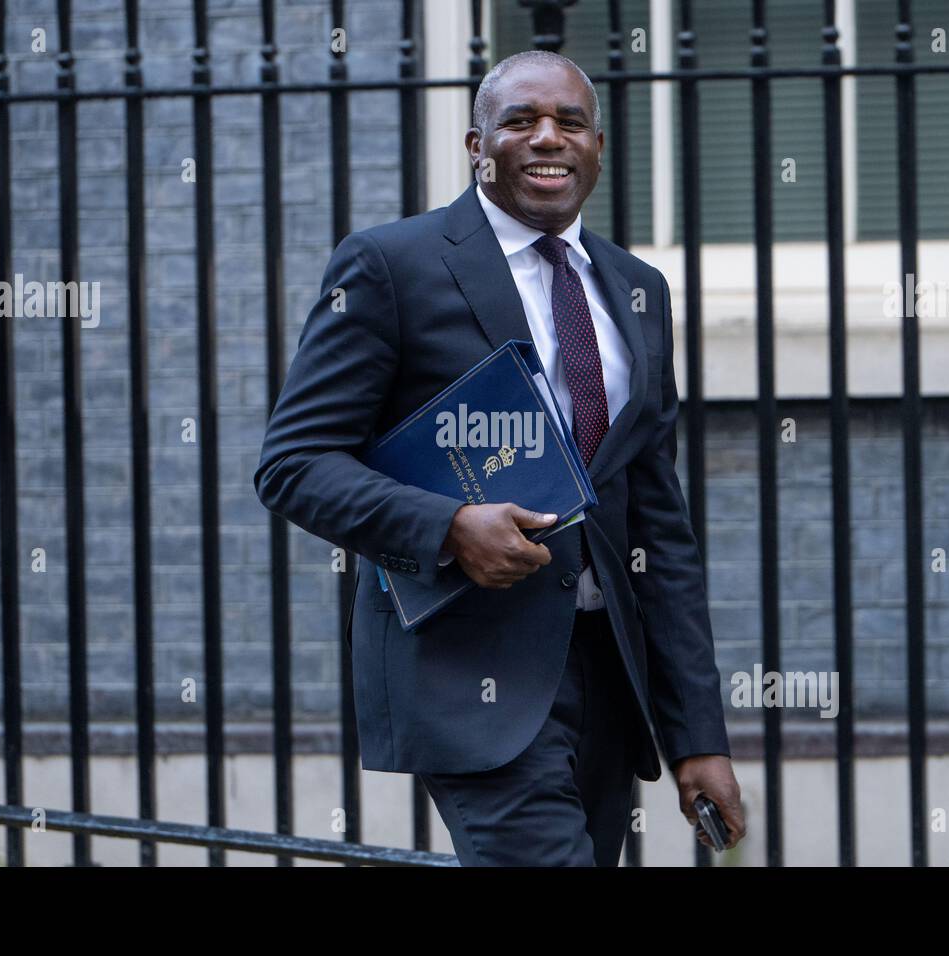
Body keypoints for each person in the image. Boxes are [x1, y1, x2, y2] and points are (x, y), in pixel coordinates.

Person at [254, 50, 745, 866]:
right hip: (470, 673)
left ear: (596, 145)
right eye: (520, 121)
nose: (546, 138)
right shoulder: (391, 266)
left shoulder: (636, 288)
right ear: (477, 144)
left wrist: (698, 734)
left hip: (607, 676)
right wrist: (449, 526)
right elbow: (295, 461)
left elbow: (660, 526)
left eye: (569, 122)